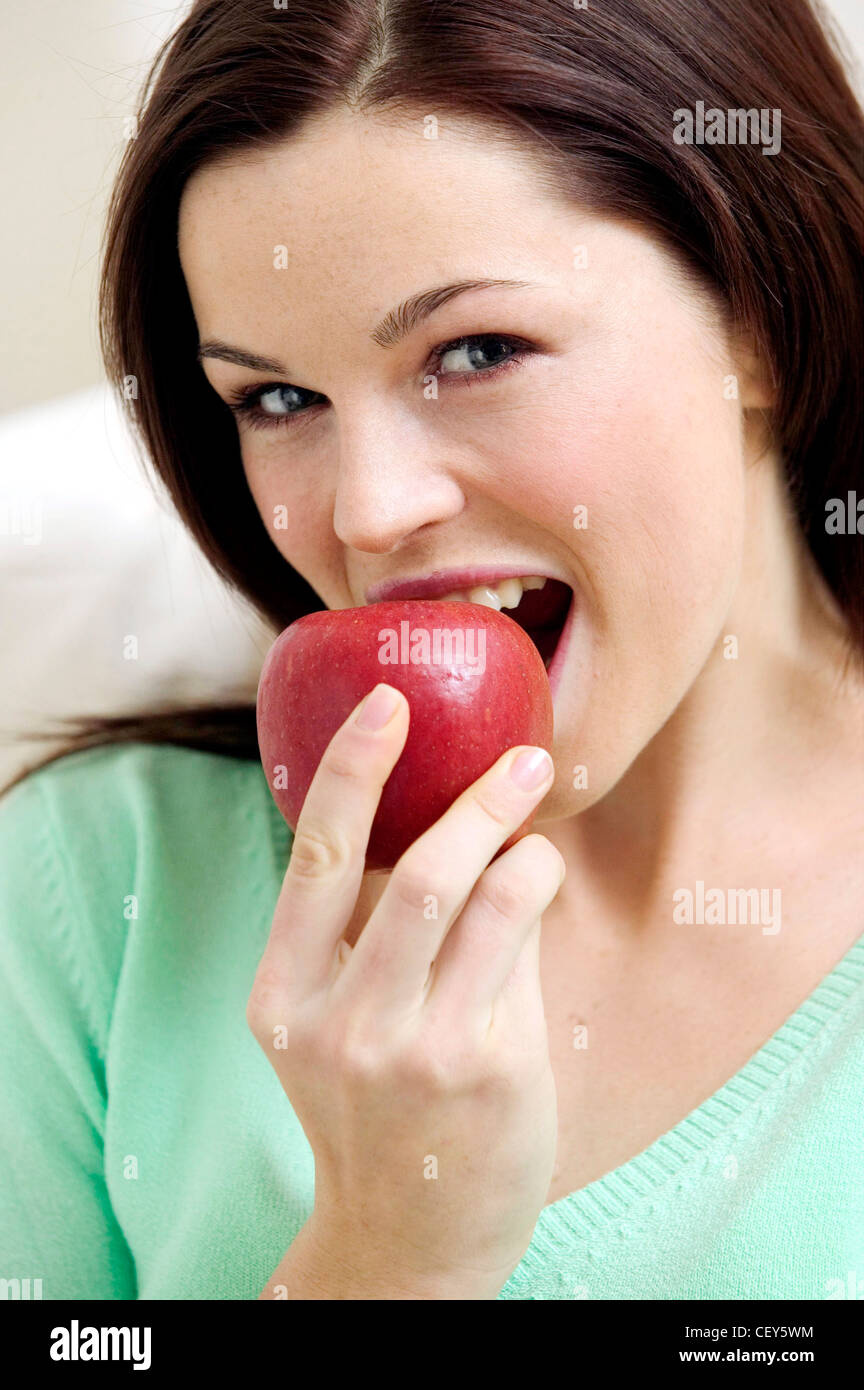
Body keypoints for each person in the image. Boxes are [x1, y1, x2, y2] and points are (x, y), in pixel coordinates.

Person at [1, 0, 862, 1301]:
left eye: (477, 350)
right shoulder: (90, 894)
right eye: (277, 398)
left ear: (759, 317)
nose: (365, 511)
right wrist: (390, 1258)